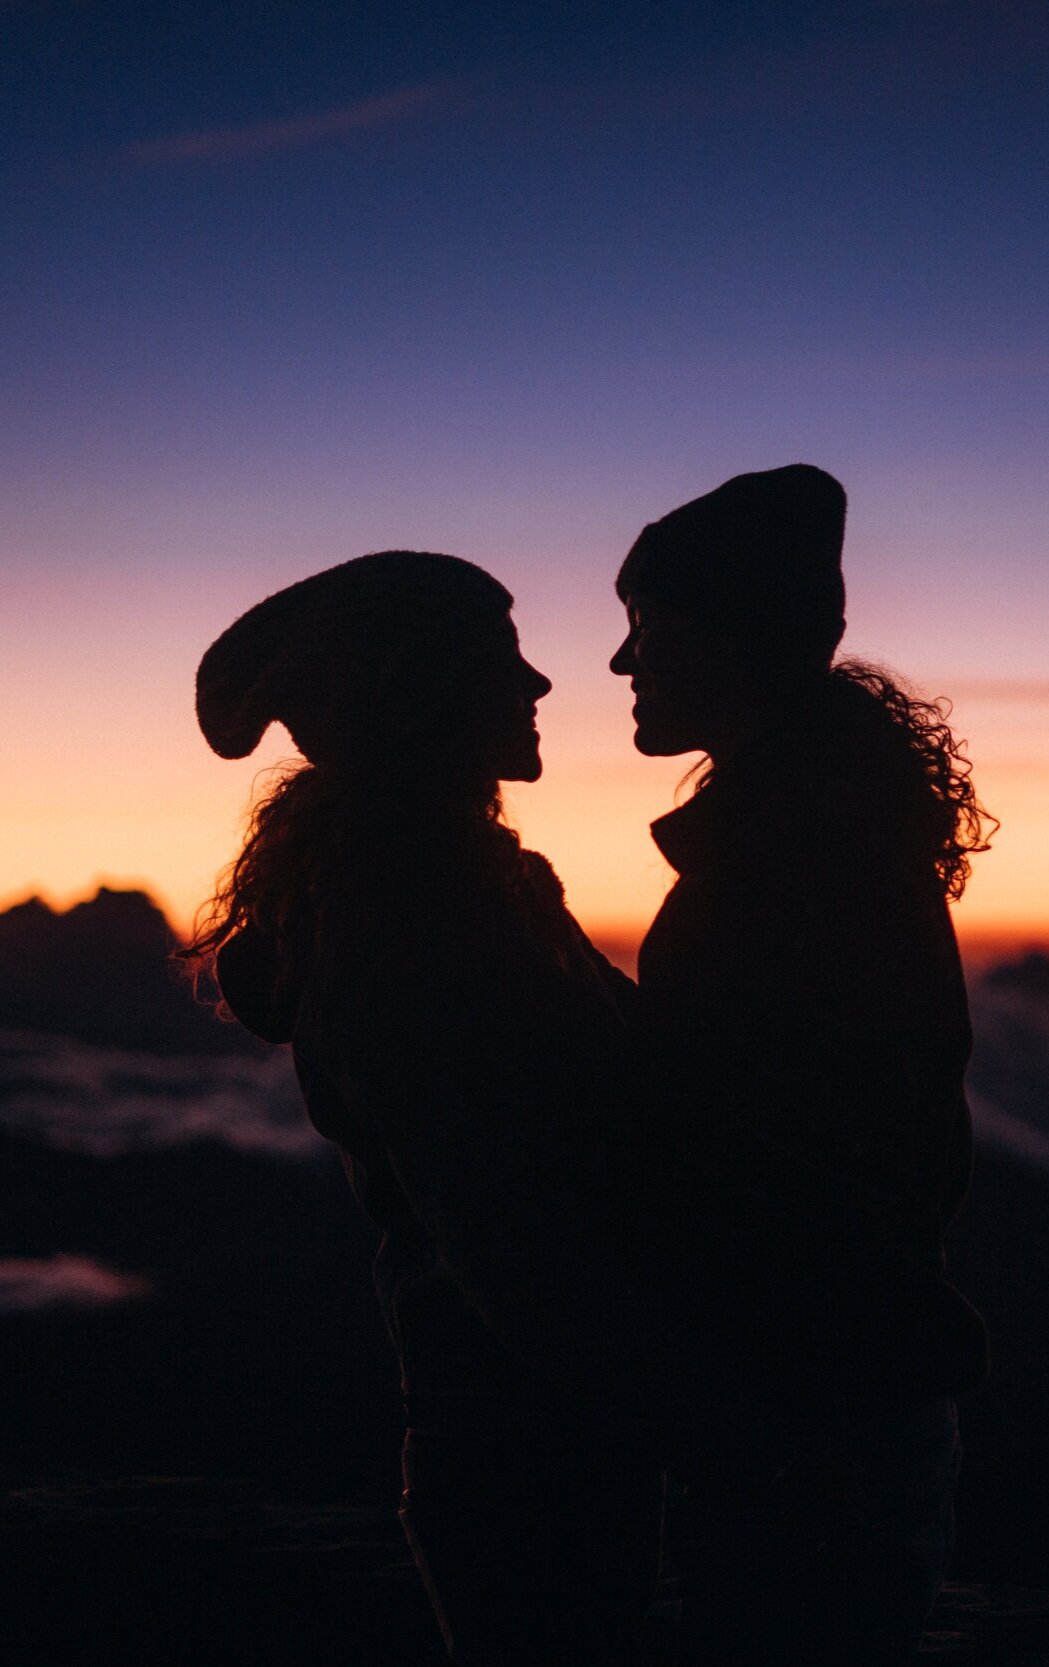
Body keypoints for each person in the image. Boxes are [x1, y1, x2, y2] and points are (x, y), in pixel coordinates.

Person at [187, 551, 669, 1665]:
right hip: (529, 1447)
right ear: (417, 693)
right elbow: (507, 1232)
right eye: (501, 661)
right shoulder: (424, 922)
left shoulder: (476, 883)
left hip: (532, 1431)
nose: (540, 684)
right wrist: (701, 1412)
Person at [609, 465, 992, 1665]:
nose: (622, 665)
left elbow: (778, 1148)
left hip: (803, 1410)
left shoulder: (791, 859)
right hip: (826, 1391)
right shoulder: (812, 827)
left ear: (737, 636)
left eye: (646, 627)